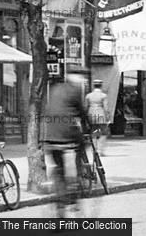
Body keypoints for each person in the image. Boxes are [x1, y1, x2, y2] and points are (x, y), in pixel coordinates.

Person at [43, 74, 88, 215]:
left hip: (49, 136)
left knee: (58, 168)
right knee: (81, 147)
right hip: (67, 134)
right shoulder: (74, 91)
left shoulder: (54, 89)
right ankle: (76, 183)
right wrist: (89, 129)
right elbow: (82, 114)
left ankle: (60, 202)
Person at [85, 80, 109, 156]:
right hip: (101, 115)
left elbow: (85, 107)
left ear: (93, 86)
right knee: (103, 133)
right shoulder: (103, 95)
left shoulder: (88, 96)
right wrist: (108, 117)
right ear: (101, 86)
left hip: (91, 115)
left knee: (93, 133)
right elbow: (106, 107)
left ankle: (94, 150)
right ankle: (100, 150)